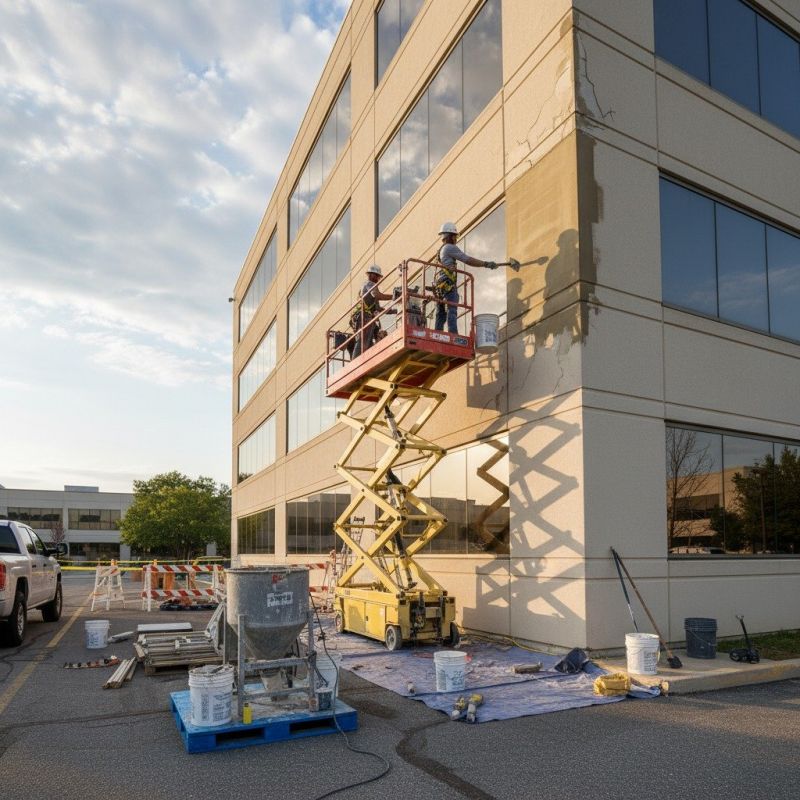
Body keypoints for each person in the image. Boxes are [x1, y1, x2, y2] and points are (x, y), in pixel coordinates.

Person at [433, 222, 498, 333]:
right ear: (451, 236)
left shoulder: (441, 250)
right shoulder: (449, 247)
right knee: (452, 309)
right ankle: (453, 334)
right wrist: (485, 264)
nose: (456, 239)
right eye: (455, 236)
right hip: (447, 285)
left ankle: (437, 334)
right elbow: (467, 259)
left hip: (440, 286)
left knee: (441, 313)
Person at [351, 265, 396, 357]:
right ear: (371, 275)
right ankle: (355, 361)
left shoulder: (371, 288)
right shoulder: (369, 284)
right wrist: (394, 296)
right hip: (363, 316)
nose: (378, 279)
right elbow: (378, 295)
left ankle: (372, 355)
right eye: (376, 276)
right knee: (363, 339)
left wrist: (394, 311)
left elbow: (378, 308)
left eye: (378, 277)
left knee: (375, 334)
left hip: (365, 316)